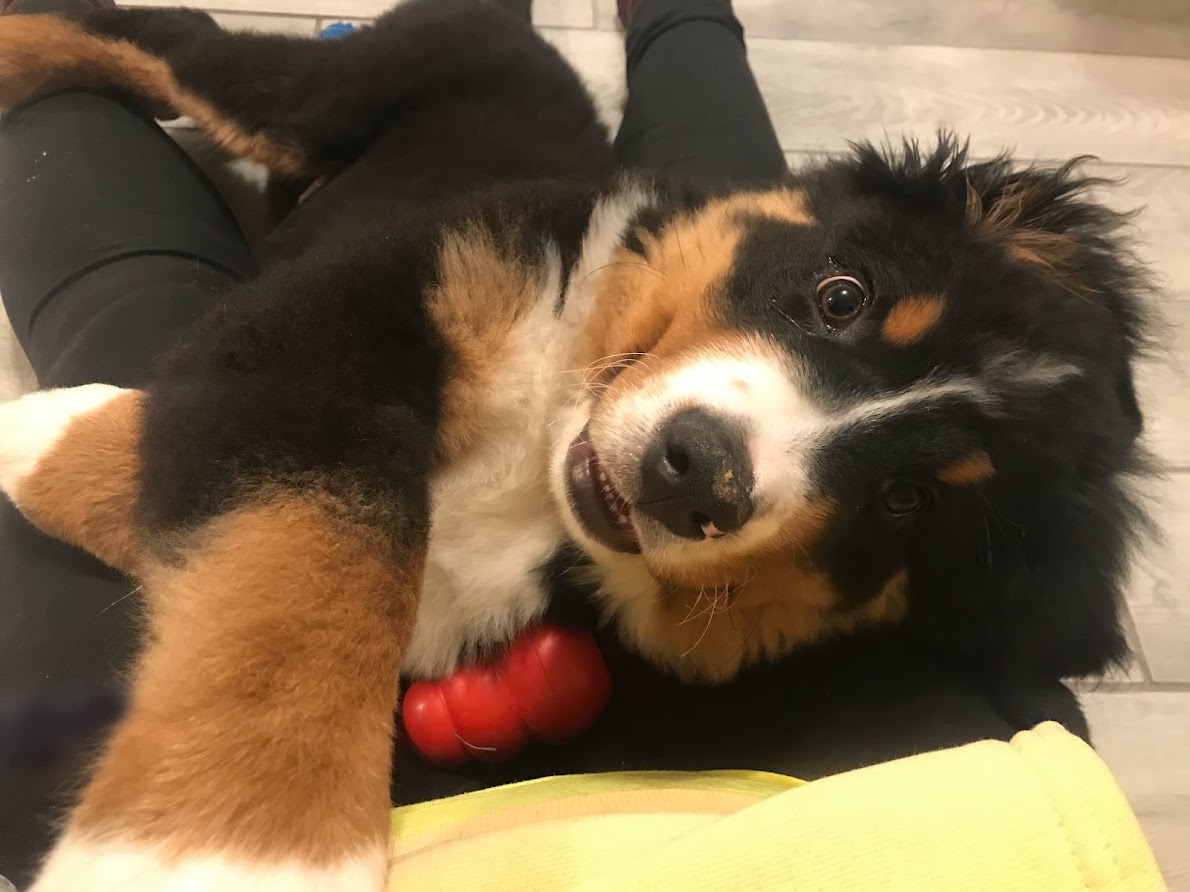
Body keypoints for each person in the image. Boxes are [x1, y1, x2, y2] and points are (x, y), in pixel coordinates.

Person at [0, 0, 1084, 885]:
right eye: (840, 302)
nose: (726, 470)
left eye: (901, 498)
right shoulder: (559, 250)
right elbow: (285, 375)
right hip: (468, 125)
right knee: (472, 58)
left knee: (121, 279)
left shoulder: (915, 682)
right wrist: (250, 767)